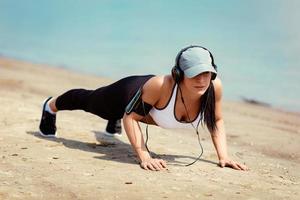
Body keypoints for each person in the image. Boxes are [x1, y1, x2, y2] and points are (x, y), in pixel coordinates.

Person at [39, 45, 248, 171]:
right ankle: (50, 106)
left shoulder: (214, 86)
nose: (202, 80)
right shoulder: (160, 86)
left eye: (207, 73)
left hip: (147, 110)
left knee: (129, 114)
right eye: (194, 73)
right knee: (90, 101)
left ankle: (114, 120)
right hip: (130, 92)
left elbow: (217, 120)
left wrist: (223, 156)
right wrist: (144, 155)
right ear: (178, 74)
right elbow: (131, 117)